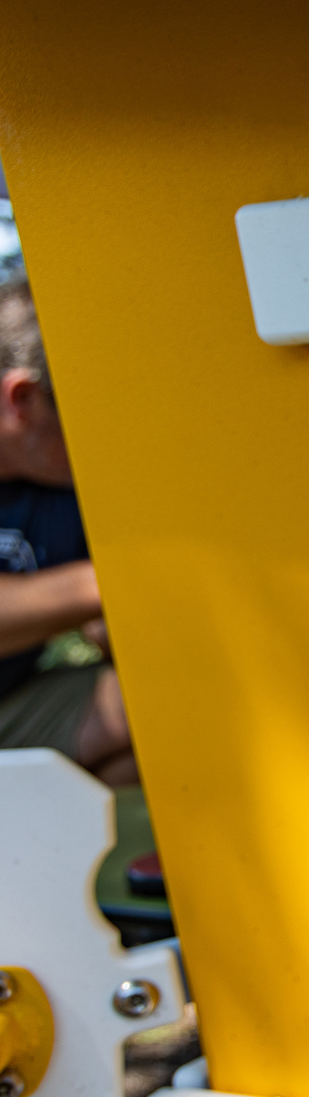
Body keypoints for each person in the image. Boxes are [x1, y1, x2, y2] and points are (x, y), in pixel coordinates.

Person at [0, 278, 134, 784]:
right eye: (86, 414)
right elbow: (110, 585)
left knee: (170, 698)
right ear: (24, 399)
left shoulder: (58, 484)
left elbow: (110, 631)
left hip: (18, 702)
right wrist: (110, 582)